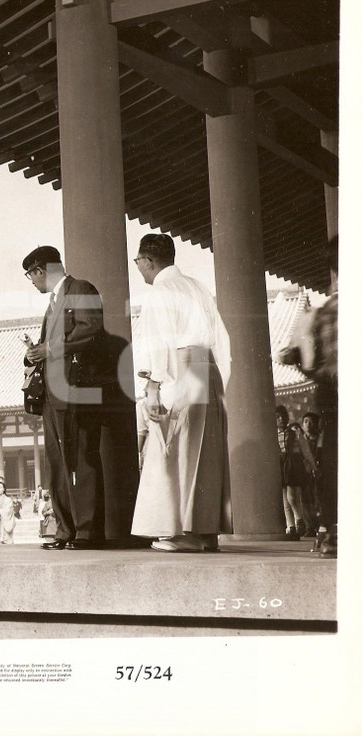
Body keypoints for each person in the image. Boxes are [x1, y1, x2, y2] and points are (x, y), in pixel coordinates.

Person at [131, 233, 231, 552]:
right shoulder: (197, 287)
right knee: (206, 451)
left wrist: (152, 388)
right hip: (208, 367)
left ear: (148, 260)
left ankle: (186, 532)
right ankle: (206, 532)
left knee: (178, 446)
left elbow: (157, 344)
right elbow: (221, 338)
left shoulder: (161, 291)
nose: (138, 267)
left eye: (138, 261)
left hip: (183, 367)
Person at [22, 245, 118, 550]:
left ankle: (87, 532)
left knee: (80, 459)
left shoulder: (80, 289)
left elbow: (90, 329)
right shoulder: (54, 301)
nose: (32, 281)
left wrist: (49, 348)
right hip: (53, 393)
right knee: (57, 462)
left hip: (76, 389)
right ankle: (66, 530)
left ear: (40, 270)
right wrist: (36, 351)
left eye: (31, 275)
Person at [279, 235, 337, 558]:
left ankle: (332, 533)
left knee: (334, 466)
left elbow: (307, 361)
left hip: (335, 401)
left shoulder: (325, 312)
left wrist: (296, 358)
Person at [276, 407, 310, 539]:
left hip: (293, 465)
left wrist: (313, 467)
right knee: (285, 498)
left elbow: (306, 451)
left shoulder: (295, 433)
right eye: (278, 417)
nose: (281, 419)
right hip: (281, 465)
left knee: (291, 496)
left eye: (283, 416)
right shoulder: (274, 435)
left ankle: (299, 520)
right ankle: (291, 527)